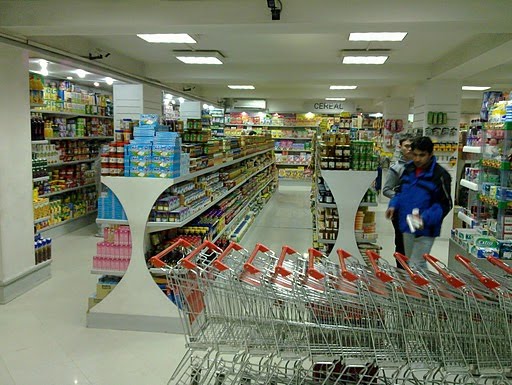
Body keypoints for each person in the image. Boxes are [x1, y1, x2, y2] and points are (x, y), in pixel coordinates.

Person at [385, 136, 452, 270]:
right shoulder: (408, 169)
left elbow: (445, 204)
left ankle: (424, 290)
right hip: (406, 224)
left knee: (417, 264)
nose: (417, 159)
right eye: (415, 155)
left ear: (430, 154)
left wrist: (424, 219)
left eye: (422, 155)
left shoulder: (440, 175)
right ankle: (415, 289)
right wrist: (393, 205)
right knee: (409, 262)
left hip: (426, 227)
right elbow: (400, 193)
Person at [382, 134, 414, 266]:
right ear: (400, 147)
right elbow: (386, 189)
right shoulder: (396, 168)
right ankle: (401, 273)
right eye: (406, 146)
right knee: (401, 244)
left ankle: (413, 273)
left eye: (412, 146)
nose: (410, 149)